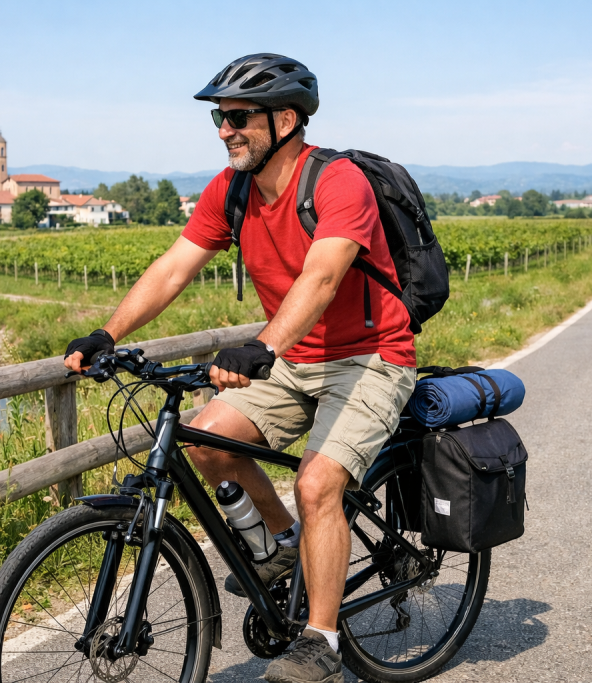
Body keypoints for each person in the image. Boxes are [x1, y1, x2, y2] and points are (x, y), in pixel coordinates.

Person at [64, 53, 416, 683]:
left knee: (317, 486)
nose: (224, 129)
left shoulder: (337, 183)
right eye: (218, 119)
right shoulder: (230, 191)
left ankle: (324, 642)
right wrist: (106, 333)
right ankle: (283, 546)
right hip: (292, 360)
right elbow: (174, 266)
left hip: (370, 359)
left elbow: (324, 275)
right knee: (207, 441)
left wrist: (262, 345)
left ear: (286, 119)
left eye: (237, 117)